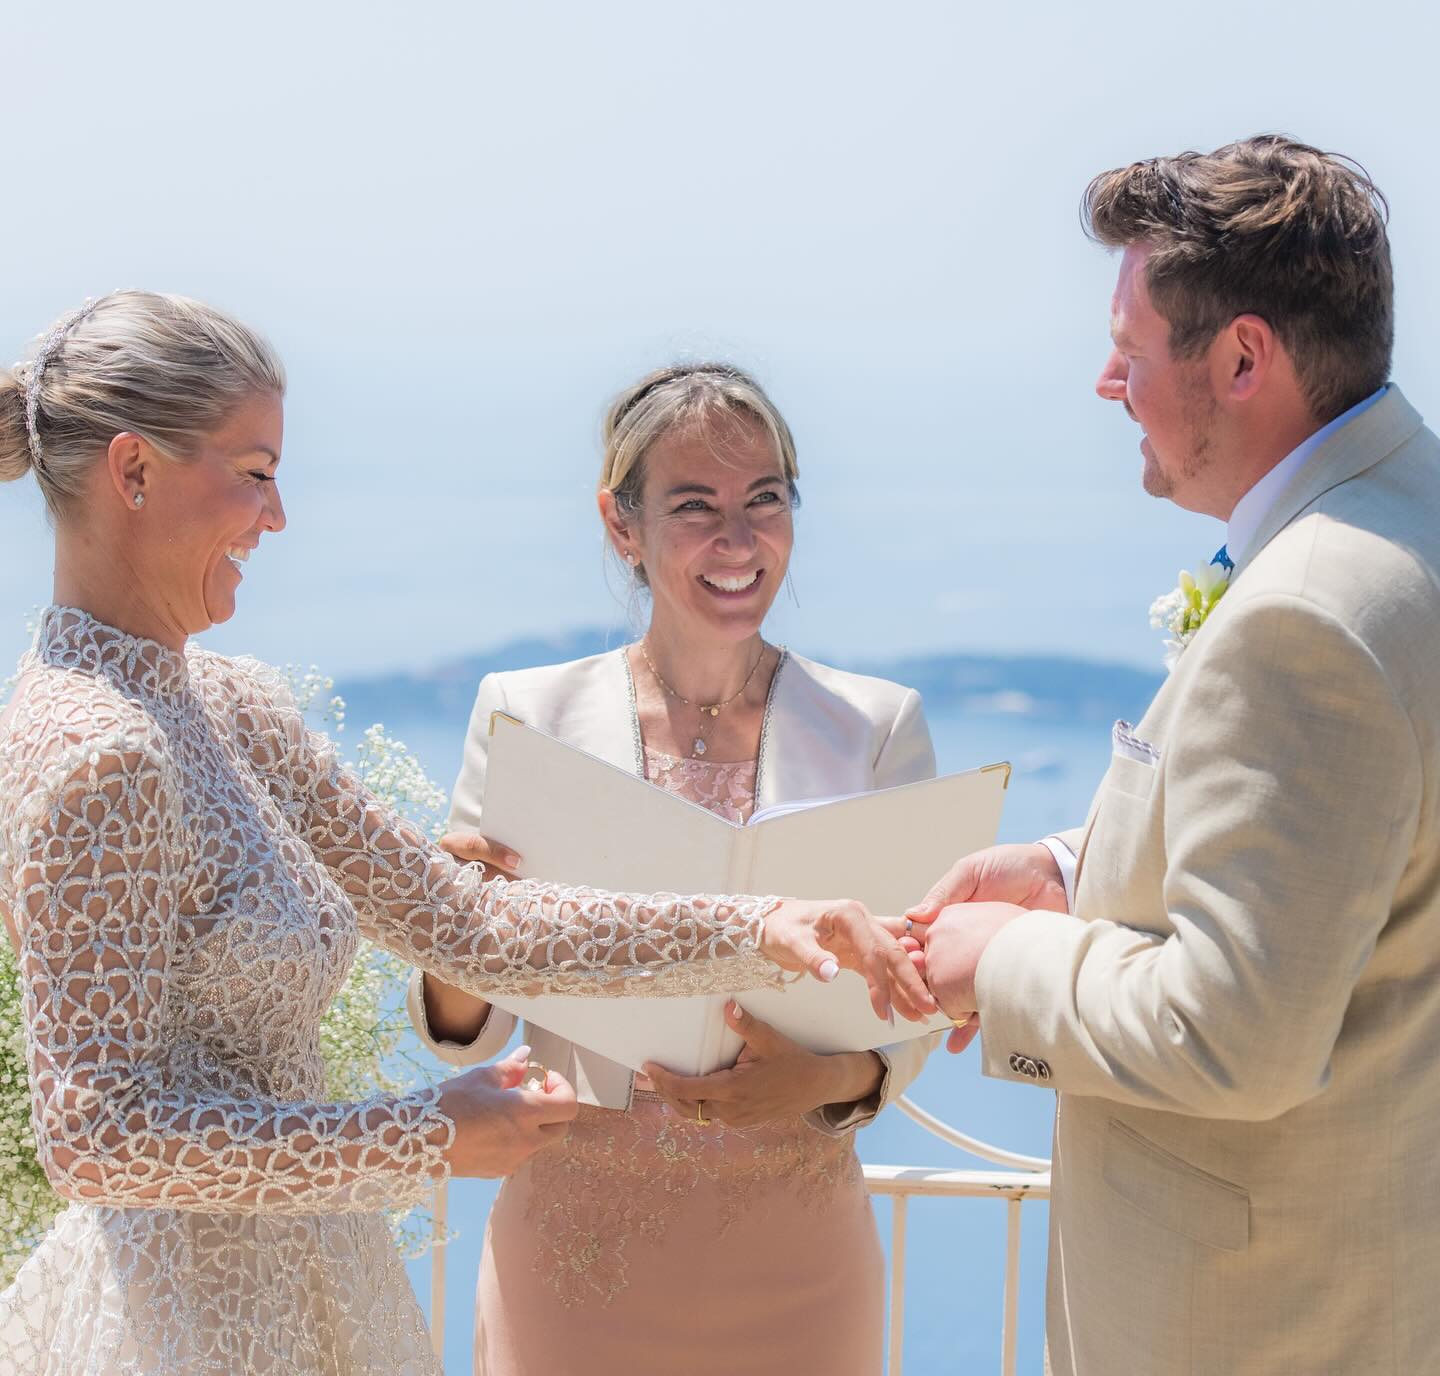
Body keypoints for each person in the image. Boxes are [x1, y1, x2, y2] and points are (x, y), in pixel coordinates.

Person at [0, 296, 931, 1376]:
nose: (278, 515)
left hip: (320, 1282)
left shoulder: (231, 703)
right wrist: (423, 1136)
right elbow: (97, 1137)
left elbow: (464, 919)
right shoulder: (93, 748)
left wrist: (765, 923)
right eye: (254, 473)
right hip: (184, 1327)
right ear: (134, 472)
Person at [911, 136, 1440, 1374]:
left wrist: (1010, 959)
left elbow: (1233, 1033)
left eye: (1131, 348)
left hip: (1260, 1325)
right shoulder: (1404, 523)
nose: (1107, 382)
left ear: (1243, 357)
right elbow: (1348, 852)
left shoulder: (1309, 609)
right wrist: (1069, 865)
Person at [410, 363, 942, 1375]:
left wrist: (821, 1079)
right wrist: (450, 922)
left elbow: (915, 995)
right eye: (696, 507)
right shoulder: (529, 717)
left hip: (798, 1253)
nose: (738, 542)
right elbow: (462, 1024)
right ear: (622, 525)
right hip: (576, 1256)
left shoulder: (878, 728)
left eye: (765, 501)